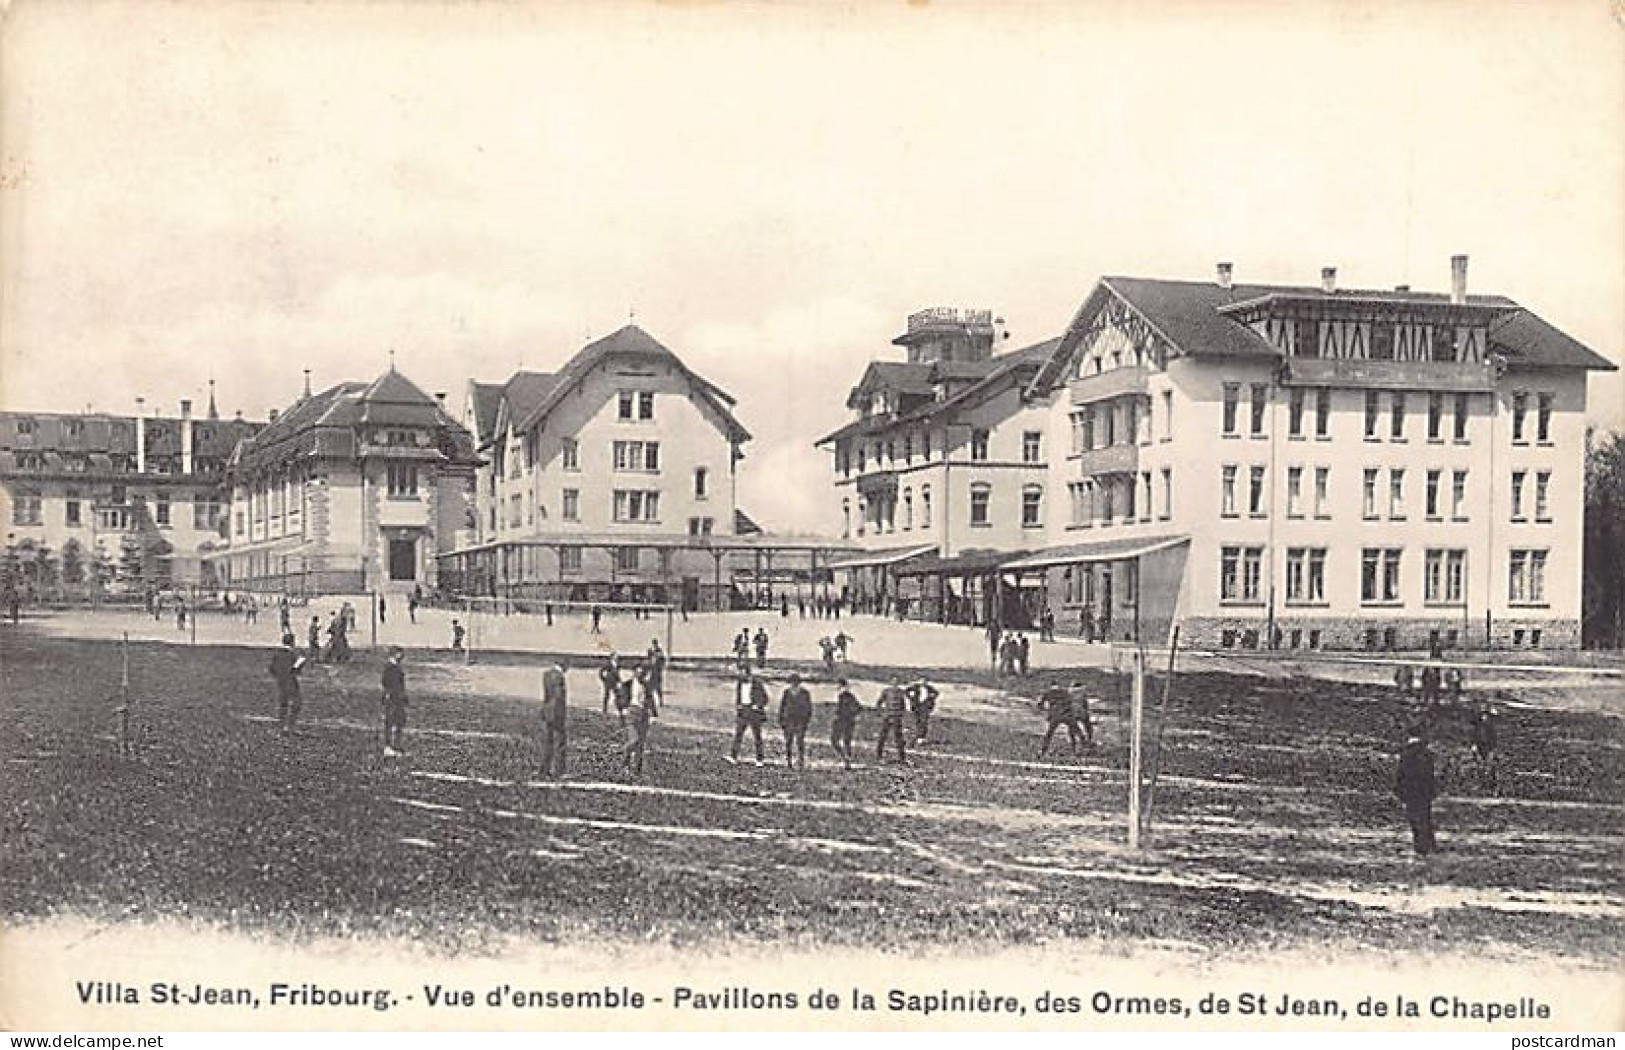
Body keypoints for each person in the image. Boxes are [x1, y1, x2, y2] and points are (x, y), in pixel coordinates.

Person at [1395, 733, 1437, 856]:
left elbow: (1400, 775)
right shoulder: (1427, 755)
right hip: (1422, 791)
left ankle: (1421, 844)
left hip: (1412, 791)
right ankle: (1427, 843)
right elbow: (1431, 776)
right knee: (1425, 817)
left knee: (1415, 818)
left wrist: (1400, 791)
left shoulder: (1407, 755)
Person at [1038, 682, 1092, 758]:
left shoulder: (1047, 693)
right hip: (1066, 715)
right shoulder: (1065, 692)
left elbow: (1040, 705)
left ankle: (1043, 751)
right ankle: (1082, 748)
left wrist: (1047, 710)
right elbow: (1070, 703)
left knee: (1049, 733)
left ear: (1050, 686)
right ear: (1058, 686)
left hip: (1055, 716)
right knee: (1077, 731)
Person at [729, 672, 769, 765]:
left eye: (744, 675)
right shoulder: (740, 684)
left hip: (754, 712)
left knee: (757, 736)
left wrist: (758, 705)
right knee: (738, 734)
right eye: (740, 675)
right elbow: (738, 697)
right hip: (743, 711)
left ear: (749, 675)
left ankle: (759, 759)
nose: (742, 676)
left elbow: (765, 698)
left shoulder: (757, 684)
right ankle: (733, 757)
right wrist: (738, 705)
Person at [269, 633, 304, 734]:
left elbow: (272, 669)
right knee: (296, 703)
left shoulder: (277, 654)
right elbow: (296, 669)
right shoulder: (293, 654)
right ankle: (290, 726)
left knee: (283, 704)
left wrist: (279, 675)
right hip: (291, 681)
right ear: (292, 642)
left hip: (281, 681)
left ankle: (281, 726)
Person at [779, 672, 813, 770]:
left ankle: (800, 761)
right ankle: (789, 761)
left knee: (800, 741)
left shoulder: (805, 693)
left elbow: (808, 708)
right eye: (792, 682)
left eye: (795, 682)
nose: (794, 684)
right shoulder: (786, 692)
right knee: (788, 741)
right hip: (789, 720)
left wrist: (806, 720)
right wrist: (781, 720)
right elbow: (782, 707)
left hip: (800, 720)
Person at [540, 660, 568, 778]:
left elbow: (547, 695)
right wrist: (560, 714)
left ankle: (544, 769)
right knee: (560, 742)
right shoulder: (560, 677)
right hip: (556, 712)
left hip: (547, 710)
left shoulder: (546, 674)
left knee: (548, 742)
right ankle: (559, 771)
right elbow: (559, 696)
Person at [380, 647, 408, 757]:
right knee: (390, 722)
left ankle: (396, 746)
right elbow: (386, 683)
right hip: (392, 699)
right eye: (400, 654)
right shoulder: (390, 668)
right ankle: (388, 746)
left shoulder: (396, 667)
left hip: (398, 698)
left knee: (399, 722)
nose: (402, 656)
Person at [830, 678, 863, 770]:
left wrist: (850, 715)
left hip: (844, 721)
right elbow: (858, 708)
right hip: (846, 721)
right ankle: (846, 759)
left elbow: (858, 708)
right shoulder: (845, 696)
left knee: (836, 740)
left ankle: (846, 759)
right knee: (845, 741)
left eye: (839, 685)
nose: (838, 687)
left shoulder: (846, 696)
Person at [622, 682, 652, 777]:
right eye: (639, 670)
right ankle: (625, 761)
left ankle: (637, 770)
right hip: (632, 713)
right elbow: (620, 698)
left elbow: (650, 699)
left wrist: (652, 712)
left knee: (641, 745)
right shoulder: (628, 684)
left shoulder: (647, 685)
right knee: (634, 740)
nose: (642, 673)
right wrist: (623, 710)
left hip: (644, 715)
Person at [876, 677, 909, 764]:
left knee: (899, 738)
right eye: (893, 682)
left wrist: (901, 715)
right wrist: (881, 713)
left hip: (897, 717)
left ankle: (902, 757)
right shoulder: (886, 691)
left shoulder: (901, 692)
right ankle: (879, 756)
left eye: (896, 682)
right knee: (883, 737)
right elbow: (879, 703)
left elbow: (903, 705)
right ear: (890, 682)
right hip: (887, 717)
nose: (895, 683)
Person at [905, 677, 939, 744]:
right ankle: (917, 735)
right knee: (917, 721)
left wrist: (931, 699)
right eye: (922, 681)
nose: (923, 682)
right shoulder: (915, 687)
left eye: (925, 681)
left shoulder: (929, 688)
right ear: (919, 681)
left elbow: (936, 693)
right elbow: (907, 691)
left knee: (924, 721)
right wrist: (911, 698)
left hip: (925, 707)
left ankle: (921, 737)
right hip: (917, 706)